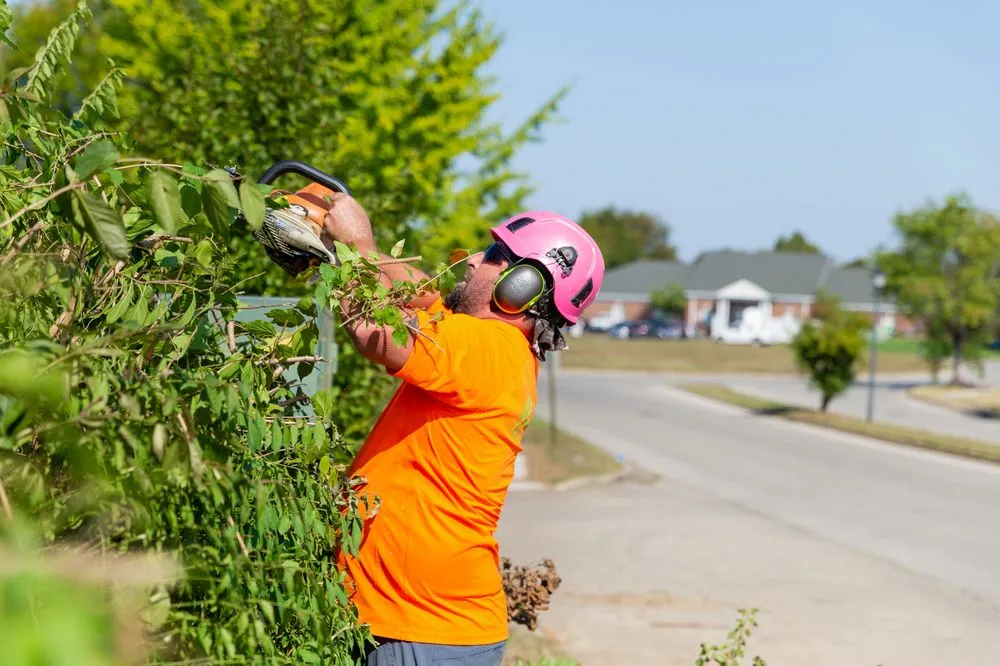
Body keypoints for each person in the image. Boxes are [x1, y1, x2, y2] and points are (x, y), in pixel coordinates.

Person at [321, 192, 605, 666]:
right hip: (417, 629)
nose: (471, 260)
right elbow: (424, 293)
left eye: (493, 255)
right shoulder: (490, 345)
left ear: (523, 286)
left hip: (422, 633)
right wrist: (342, 247)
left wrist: (357, 244)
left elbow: (378, 332)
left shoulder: (490, 350)